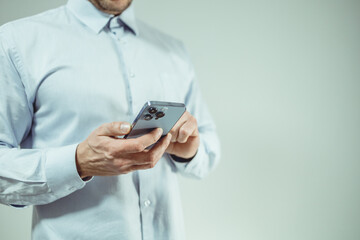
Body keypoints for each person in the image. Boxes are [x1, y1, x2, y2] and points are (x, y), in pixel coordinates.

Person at [0, 0, 220, 239]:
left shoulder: (173, 51)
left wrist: (188, 150)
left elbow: (209, 152)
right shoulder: (17, 41)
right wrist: (78, 163)